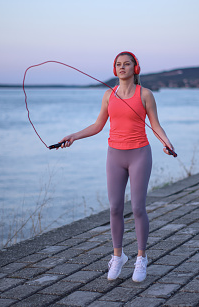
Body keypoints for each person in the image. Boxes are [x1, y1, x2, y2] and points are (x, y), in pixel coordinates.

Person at [57, 51, 175, 282]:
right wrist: (74, 136)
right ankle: (118, 256)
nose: (122, 68)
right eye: (118, 65)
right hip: (114, 156)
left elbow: (156, 126)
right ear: (114, 69)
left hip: (140, 154)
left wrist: (167, 143)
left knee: (138, 208)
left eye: (126, 64)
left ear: (135, 68)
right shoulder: (108, 95)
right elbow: (98, 125)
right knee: (114, 209)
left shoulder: (146, 95)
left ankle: (141, 258)